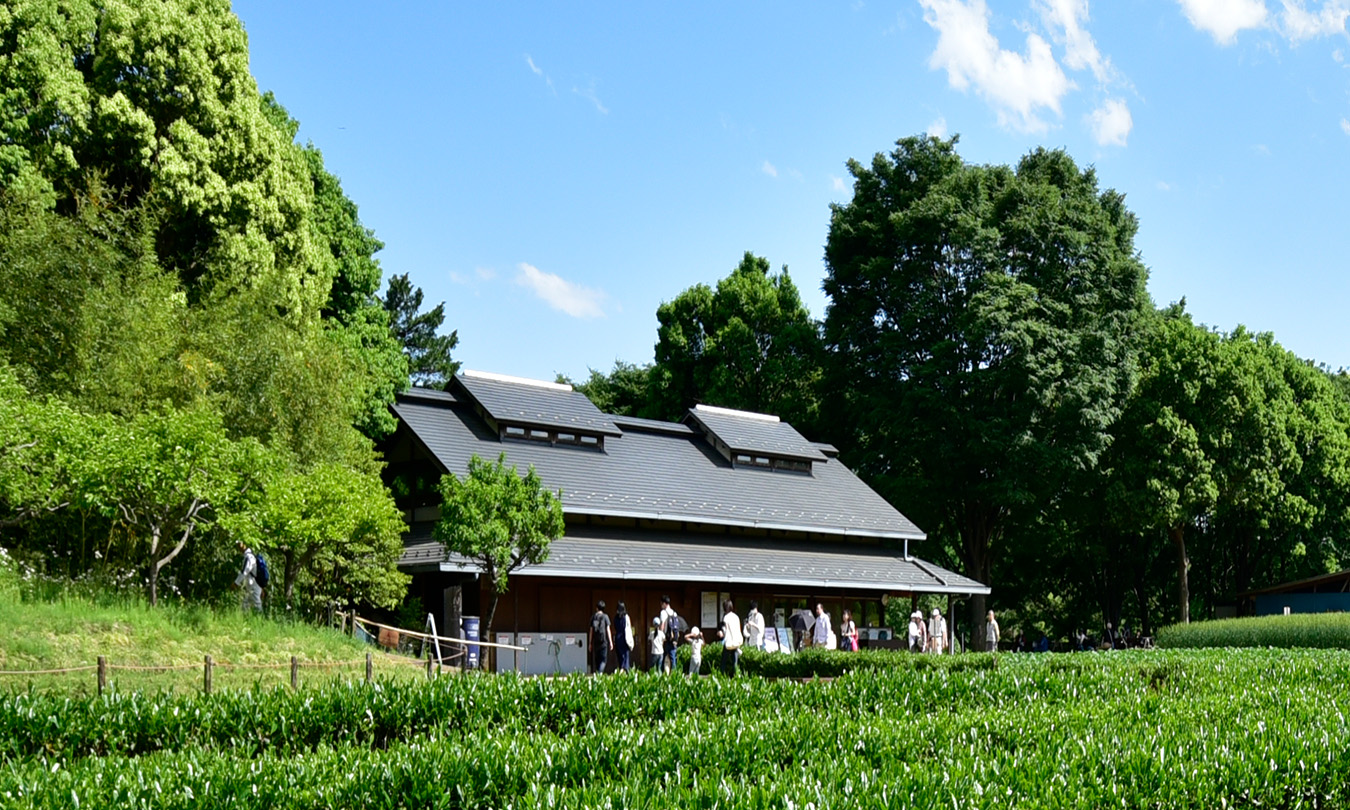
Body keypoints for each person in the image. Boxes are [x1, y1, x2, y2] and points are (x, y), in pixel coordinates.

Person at [233, 541, 261, 613]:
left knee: (256, 602)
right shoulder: (248, 556)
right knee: (245, 603)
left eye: (240, 544)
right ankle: (246, 620)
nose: (238, 546)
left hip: (254, 583)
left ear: (245, 544)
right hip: (251, 584)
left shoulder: (249, 557)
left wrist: (236, 583)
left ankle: (261, 619)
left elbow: (244, 572)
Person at [717, 599, 743, 676]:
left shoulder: (726, 617)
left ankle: (721, 676)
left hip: (728, 642)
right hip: (736, 642)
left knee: (723, 661)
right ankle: (736, 677)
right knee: (735, 662)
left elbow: (725, 630)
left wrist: (721, 633)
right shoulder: (736, 617)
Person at [589, 600, 613, 674]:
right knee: (603, 660)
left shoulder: (593, 617)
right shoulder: (605, 617)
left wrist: (590, 643)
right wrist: (611, 641)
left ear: (597, 608)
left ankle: (597, 673)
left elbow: (591, 631)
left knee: (597, 660)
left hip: (596, 641)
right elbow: (608, 630)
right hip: (604, 641)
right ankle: (600, 673)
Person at [659, 596, 680, 674]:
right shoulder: (674, 613)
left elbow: (662, 626)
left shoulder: (663, 612)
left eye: (661, 603)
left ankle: (662, 673)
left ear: (664, 603)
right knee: (673, 657)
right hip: (674, 639)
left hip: (666, 638)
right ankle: (674, 674)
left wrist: (660, 636)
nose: (661, 605)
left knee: (663, 656)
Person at [614, 601, 634, 672]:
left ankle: (621, 669)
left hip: (617, 637)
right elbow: (628, 628)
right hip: (624, 638)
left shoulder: (616, 618)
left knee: (620, 656)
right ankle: (624, 671)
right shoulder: (626, 617)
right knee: (625, 656)